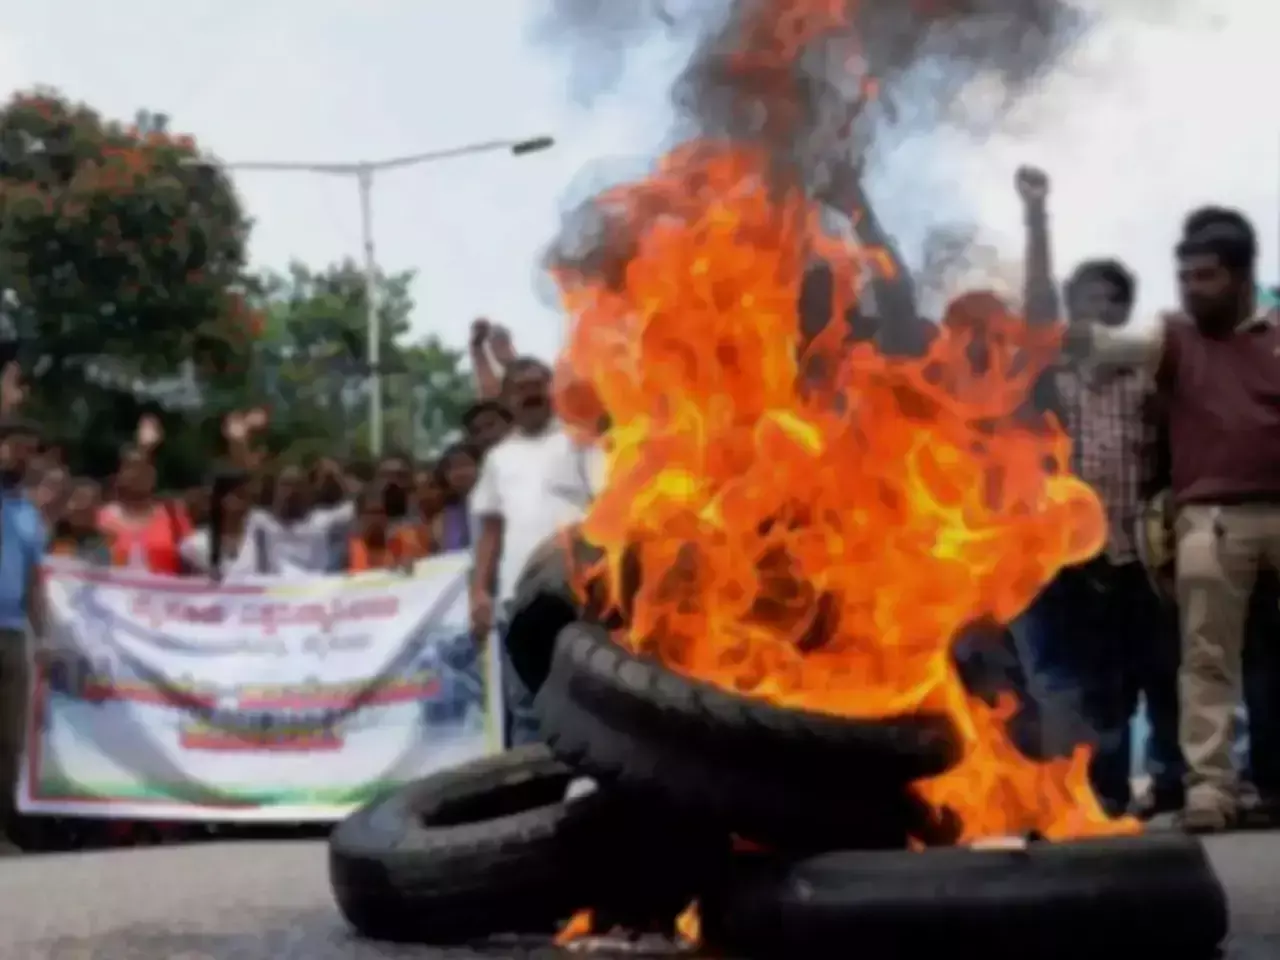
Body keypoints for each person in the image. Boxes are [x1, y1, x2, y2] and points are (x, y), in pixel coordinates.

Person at [1073, 206, 1280, 831]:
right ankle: (1210, 793)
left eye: (1206, 277)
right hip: (1211, 524)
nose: (1192, 289)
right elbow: (1096, 345)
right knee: (1207, 661)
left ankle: (1268, 784)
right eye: (1184, 277)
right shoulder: (1173, 337)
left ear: (1242, 277)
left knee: (1269, 664)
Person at [470, 359, 598, 745]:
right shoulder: (498, 458)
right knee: (526, 707)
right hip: (517, 601)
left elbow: (606, 511)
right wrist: (479, 590)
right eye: (520, 387)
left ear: (552, 389)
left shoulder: (580, 442)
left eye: (538, 383)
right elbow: (491, 531)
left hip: (575, 597)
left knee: (589, 703)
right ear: (507, 399)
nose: (529, 392)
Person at [0, 416, 46, 854]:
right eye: (13, 446)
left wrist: (45, 635)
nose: (20, 457)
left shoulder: (27, 512)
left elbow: (35, 580)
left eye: (26, 450)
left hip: (12, 633)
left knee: (10, 739)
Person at [98, 417, 190, 575]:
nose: (138, 475)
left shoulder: (173, 515)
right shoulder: (104, 519)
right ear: (119, 475)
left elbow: (193, 560)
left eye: (145, 469)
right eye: (131, 469)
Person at [179, 467, 257, 578]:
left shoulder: (260, 541)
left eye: (247, 498)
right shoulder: (194, 545)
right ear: (221, 500)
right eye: (240, 496)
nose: (245, 504)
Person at [49, 480, 111, 565]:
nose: (81, 506)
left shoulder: (104, 542)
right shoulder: (52, 535)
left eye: (88, 501)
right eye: (78, 499)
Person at [435, 442, 481, 552]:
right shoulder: (444, 517)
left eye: (465, 465)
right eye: (453, 468)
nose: (460, 473)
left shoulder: (496, 507)